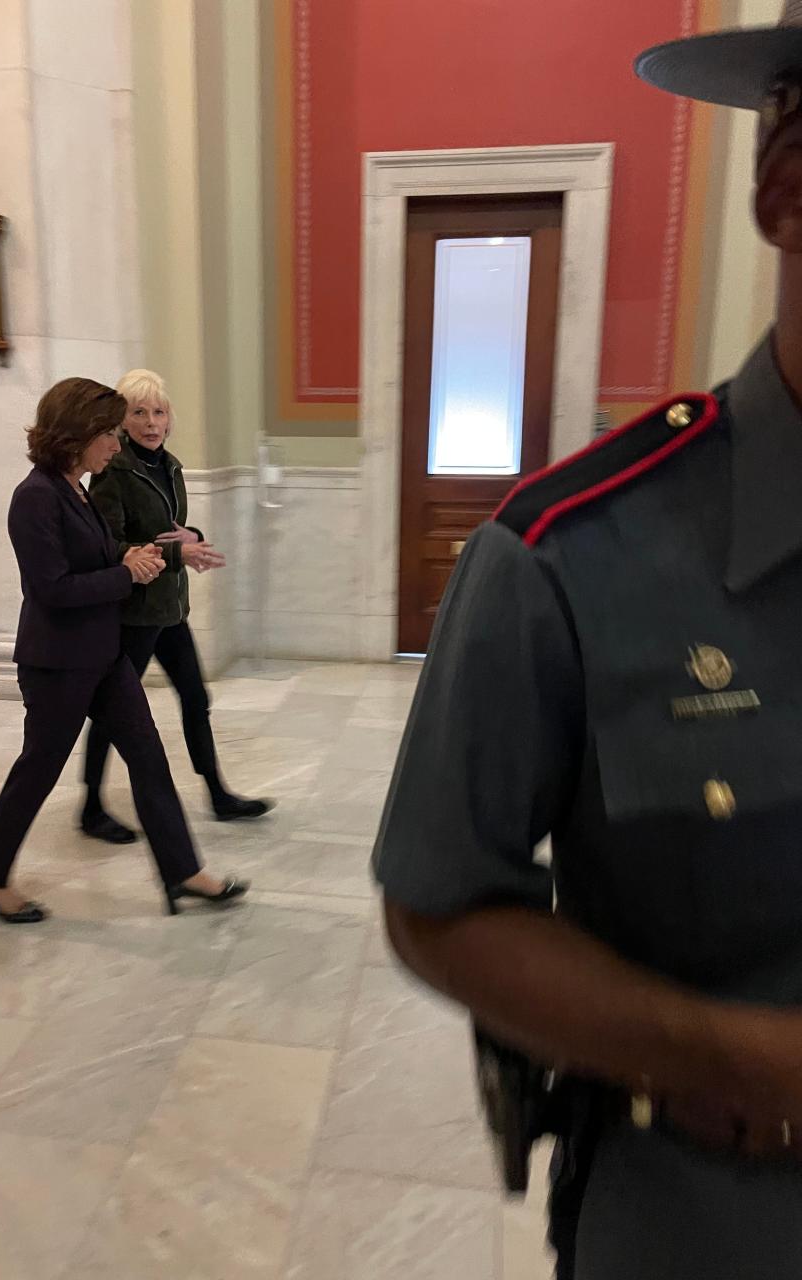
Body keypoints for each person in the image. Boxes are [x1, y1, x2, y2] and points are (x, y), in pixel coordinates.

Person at [374, 6, 802, 1277]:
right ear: (784, 181)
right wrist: (731, 1054)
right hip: (718, 1220)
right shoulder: (567, 555)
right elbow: (439, 905)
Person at [0, 377, 248, 924]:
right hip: (57, 664)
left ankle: (183, 872)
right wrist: (125, 574)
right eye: (108, 433)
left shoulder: (76, 487)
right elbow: (52, 589)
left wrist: (154, 554)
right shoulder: (35, 498)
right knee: (37, 771)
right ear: (78, 435)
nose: (118, 445)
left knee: (149, 760)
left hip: (103, 656)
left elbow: (105, 557)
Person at [78, 369, 272, 844]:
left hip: (169, 609)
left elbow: (172, 531)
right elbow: (110, 546)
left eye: (158, 412)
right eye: (138, 413)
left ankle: (218, 794)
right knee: (112, 711)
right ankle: (90, 808)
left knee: (195, 699)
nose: (150, 422)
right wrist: (174, 553)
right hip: (133, 612)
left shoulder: (170, 465)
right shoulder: (112, 473)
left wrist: (195, 540)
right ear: (120, 422)